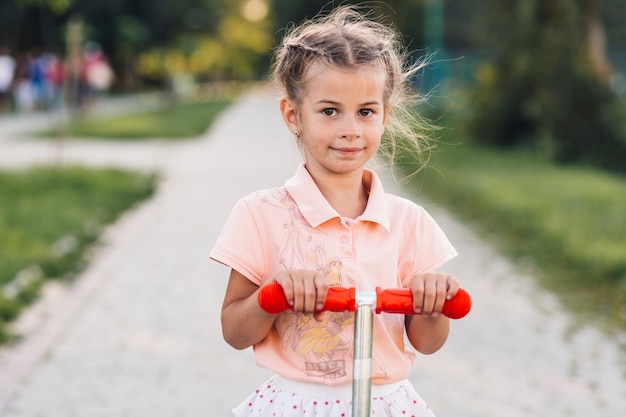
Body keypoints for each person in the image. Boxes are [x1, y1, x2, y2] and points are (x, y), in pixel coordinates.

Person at [210, 6, 460, 417]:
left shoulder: (409, 223)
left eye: (365, 112)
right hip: (298, 402)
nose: (350, 129)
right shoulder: (260, 214)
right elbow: (235, 332)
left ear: (385, 116)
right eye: (329, 111)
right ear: (294, 115)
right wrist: (272, 295)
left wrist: (431, 305)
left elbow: (428, 342)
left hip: (386, 402)